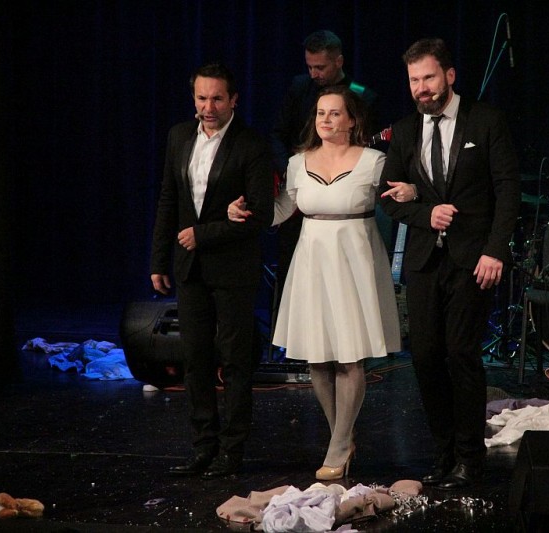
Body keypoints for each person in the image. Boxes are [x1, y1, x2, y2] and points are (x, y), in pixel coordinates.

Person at [228, 85, 400, 480]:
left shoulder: (373, 162)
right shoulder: (297, 163)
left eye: (335, 113)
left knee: (350, 355)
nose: (326, 119)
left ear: (352, 120)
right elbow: (281, 210)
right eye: (321, 113)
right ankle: (341, 435)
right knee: (317, 358)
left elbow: (397, 204)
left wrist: (410, 193)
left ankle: (338, 446)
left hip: (354, 258)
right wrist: (247, 212)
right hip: (312, 259)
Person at [378, 38, 521, 489]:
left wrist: (495, 249)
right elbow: (390, 198)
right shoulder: (404, 131)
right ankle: (443, 455)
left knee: (461, 354)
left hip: (472, 257)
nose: (421, 88)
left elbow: (508, 190)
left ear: (450, 75)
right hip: (424, 260)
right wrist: (425, 213)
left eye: (429, 77)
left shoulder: (486, 120)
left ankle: (470, 457)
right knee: (424, 357)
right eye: (414, 80)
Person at [150, 62, 274, 479]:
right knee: (195, 359)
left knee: (235, 362)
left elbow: (259, 215)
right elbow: (169, 199)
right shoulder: (179, 136)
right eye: (202, 98)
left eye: (217, 98)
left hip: (233, 269)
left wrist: (203, 235)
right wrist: (158, 259)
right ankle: (203, 446)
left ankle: (231, 450)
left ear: (233, 99)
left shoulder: (251, 145)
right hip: (190, 269)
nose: (208, 107)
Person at [270, 30, 379, 314]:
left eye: (320, 67)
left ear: (339, 61)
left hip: (343, 197)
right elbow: (278, 134)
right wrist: (291, 171)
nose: (314, 74)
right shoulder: (299, 87)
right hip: (301, 189)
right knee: (291, 268)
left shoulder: (361, 95)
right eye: (309, 67)